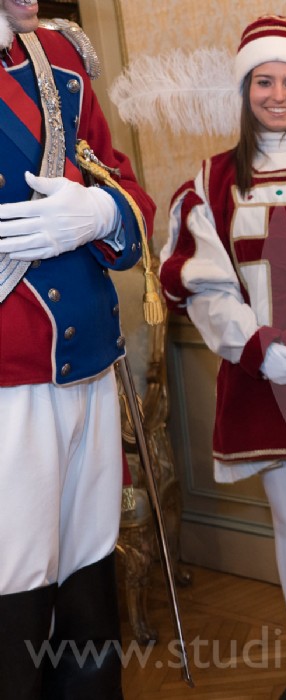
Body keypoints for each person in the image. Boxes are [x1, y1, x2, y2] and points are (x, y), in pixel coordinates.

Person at [158, 15, 286, 700]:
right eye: (263, 81)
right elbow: (201, 281)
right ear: (245, 91)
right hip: (260, 378)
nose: (277, 95)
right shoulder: (211, 179)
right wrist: (259, 346)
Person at [0, 1, 156, 697]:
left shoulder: (58, 58)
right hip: (8, 381)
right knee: (14, 599)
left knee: (88, 595)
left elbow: (128, 192)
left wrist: (100, 212)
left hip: (88, 362)